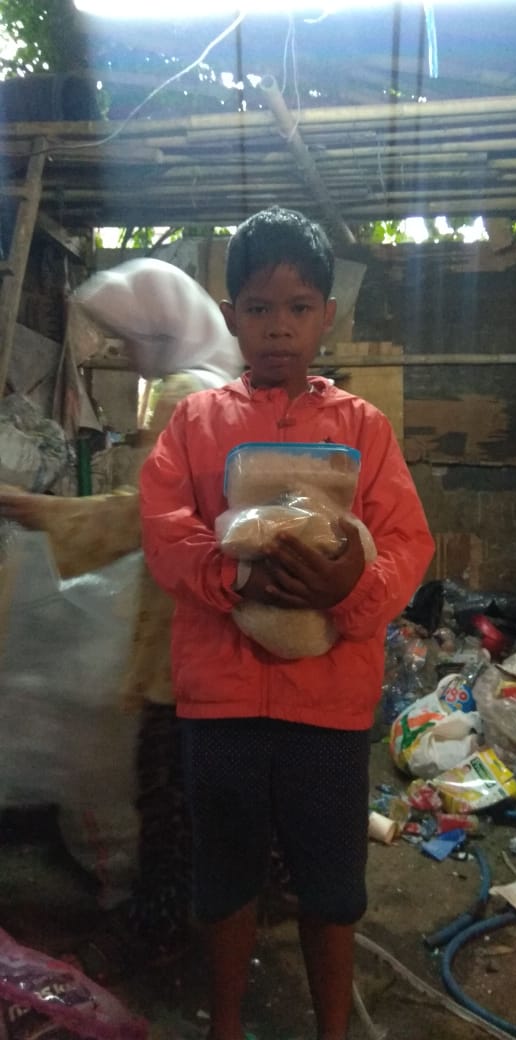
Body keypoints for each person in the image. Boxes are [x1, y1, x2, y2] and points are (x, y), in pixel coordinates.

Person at [139, 206, 434, 1040]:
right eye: (260, 308)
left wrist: (349, 587)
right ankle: (226, 1026)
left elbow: (406, 543)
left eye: (298, 308)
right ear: (230, 314)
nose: (278, 327)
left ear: (325, 316)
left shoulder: (363, 429)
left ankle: (331, 1028)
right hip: (221, 701)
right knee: (225, 875)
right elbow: (164, 529)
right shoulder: (195, 424)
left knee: (330, 884)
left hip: (328, 705)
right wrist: (236, 573)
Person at [0, 259, 243, 976]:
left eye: (131, 337)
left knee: (164, 794)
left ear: (161, 330)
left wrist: (42, 512)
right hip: (209, 622)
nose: (126, 353)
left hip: (179, 634)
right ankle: (203, 915)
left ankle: (158, 935)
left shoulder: (182, 394)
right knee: (191, 786)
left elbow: (145, 516)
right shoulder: (221, 382)